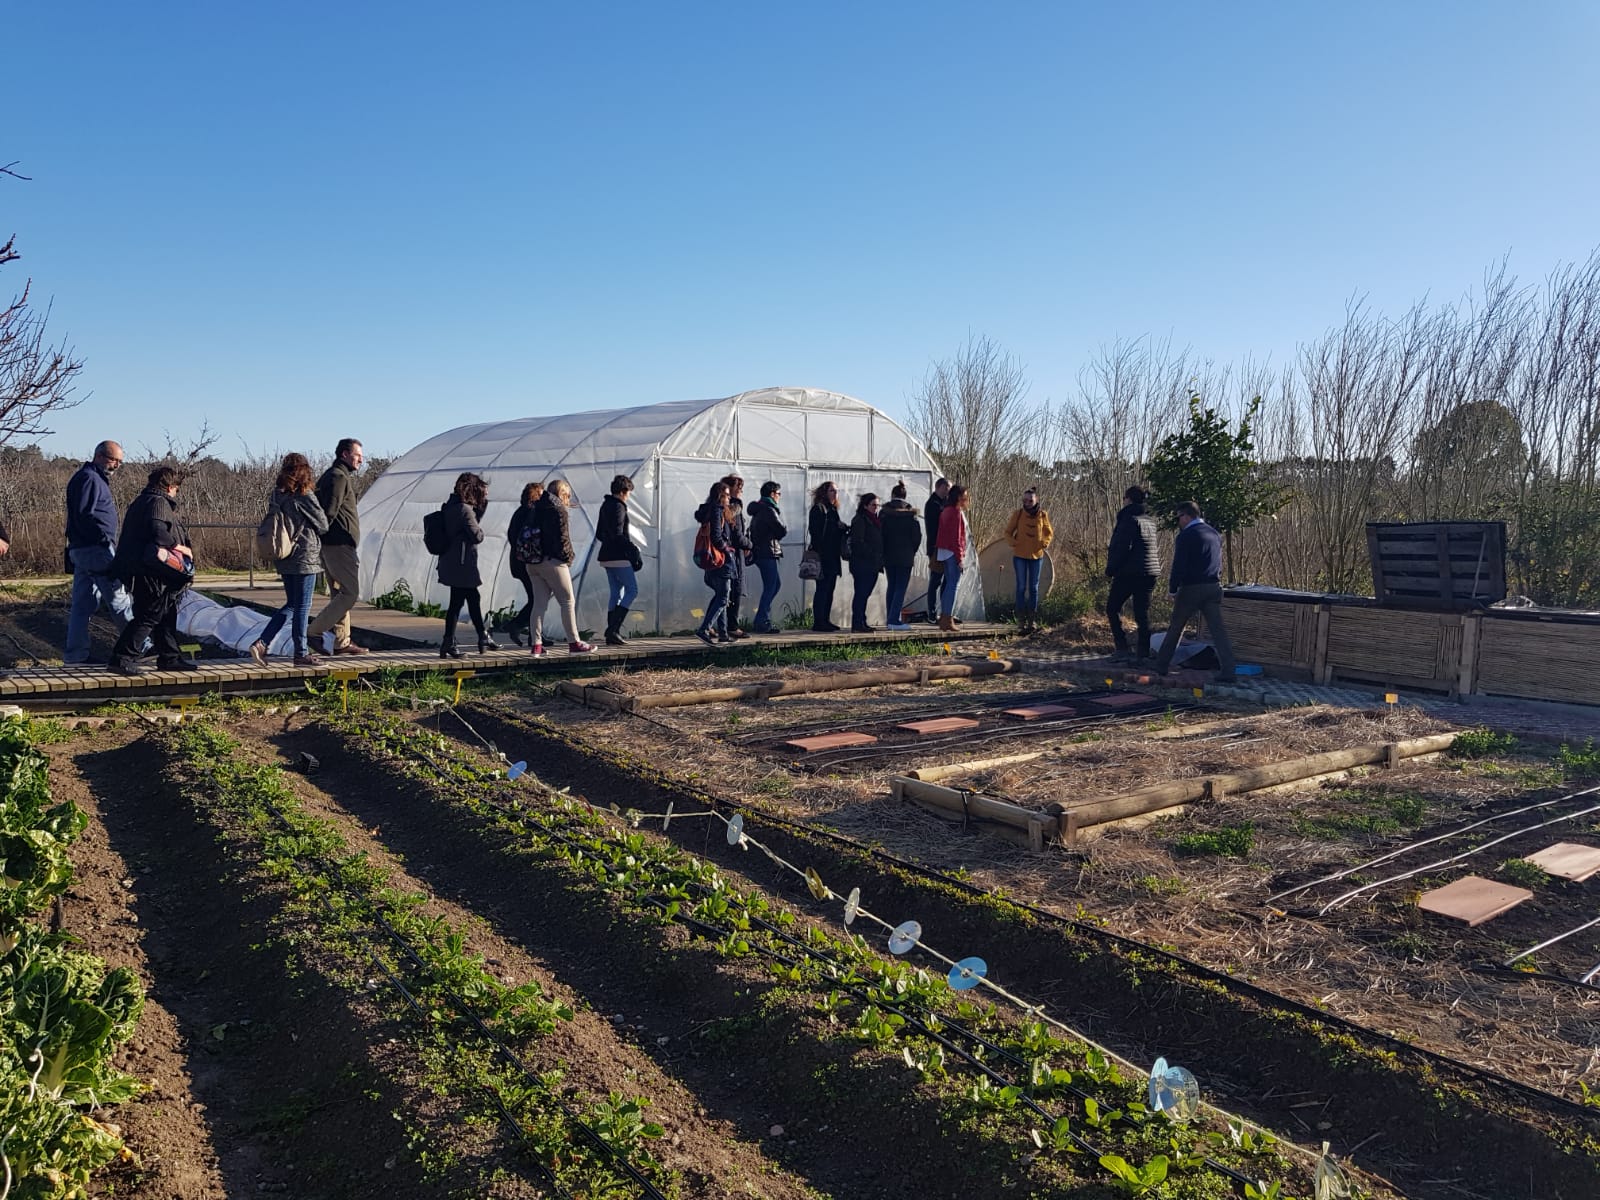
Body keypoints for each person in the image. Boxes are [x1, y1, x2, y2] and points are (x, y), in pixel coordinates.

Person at [108, 466, 196, 676]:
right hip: (151, 572)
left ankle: (169, 657)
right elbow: (158, 532)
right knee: (150, 614)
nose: (176, 493)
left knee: (165, 613)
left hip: (139, 569)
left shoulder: (143, 501)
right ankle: (122, 657)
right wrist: (180, 548)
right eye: (176, 488)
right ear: (170, 486)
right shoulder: (158, 502)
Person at [249, 453, 330, 667]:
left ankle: (262, 643)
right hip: (305, 556)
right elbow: (323, 524)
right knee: (302, 606)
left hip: (283, 554)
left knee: (292, 604)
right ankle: (301, 653)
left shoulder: (277, 494)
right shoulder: (304, 494)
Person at [64, 440, 136, 663]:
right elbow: (84, 515)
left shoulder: (88, 477)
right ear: (99, 456)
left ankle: (76, 655)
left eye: (120, 461)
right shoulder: (90, 479)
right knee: (118, 598)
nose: (117, 465)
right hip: (95, 549)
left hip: (83, 549)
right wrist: (103, 540)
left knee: (82, 604)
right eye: (114, 460)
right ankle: (140, 647)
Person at [1153, 500, 1236, 678]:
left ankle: (1161, 666)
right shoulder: (1215, 534)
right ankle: (1229, 671)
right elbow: (1218, 563)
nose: (1178, 521)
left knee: (1176, 627)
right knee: (1218, 631)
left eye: (1179, 517)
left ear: (1186, 516)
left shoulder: (1186, 536)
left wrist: (1172, 589)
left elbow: (1179, 565)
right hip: (1213, 586)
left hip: (1191, 588)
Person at [306, 438, 369, 655]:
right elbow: (329, 512)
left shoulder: (332, 475)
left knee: (339, 594)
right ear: (344, 454)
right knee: (350, 593)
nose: (361, 460)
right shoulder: (338, 477)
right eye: (357, 455)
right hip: (339, 545)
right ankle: (314, 631)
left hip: (332, 544)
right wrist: (324, 534)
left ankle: (341, 641)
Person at [527, 478, 594, 656]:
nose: (569, 499)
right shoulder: (558, 509)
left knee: (539, 604)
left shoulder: (535, 507)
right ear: (562, 494)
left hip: (533, 562)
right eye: (568, 495)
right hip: (553, 561)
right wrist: (568, 558)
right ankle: (574, 643)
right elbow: (563, 539)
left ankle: (536, 645)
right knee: (567, 601)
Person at [435, 472, 499, 658]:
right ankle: (451, 642)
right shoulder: (464, 509)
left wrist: (480, 506)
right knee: (459, 603)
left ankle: (479, 637)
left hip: (454, 561)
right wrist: (480, 513)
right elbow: (477, 535)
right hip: (463, 564)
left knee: (469, 599)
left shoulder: (451, 505)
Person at [1105, 485, 1161, 663]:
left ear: (1128, 499)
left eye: (1124, 498)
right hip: (1150, 571)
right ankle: (1143, 653)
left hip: (1129, 572)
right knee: (1142, 614)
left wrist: (1111, 569)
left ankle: (1122, 647)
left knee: (1112, 608)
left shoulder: (1128, 519)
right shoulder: (1150, 520)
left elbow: (1122, 547)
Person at [596, 474, 642, 646]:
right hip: (618, 556)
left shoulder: (605, 505)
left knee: (616, 591)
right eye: (628, 492)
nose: (629, 496)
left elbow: (600, 533)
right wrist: (632, 548)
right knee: (632, 590)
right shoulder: (619, 507)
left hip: (606, 556)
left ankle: (611, 634)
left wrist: (609, 543)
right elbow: (618, 534)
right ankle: (613, 629)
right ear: (623, 491)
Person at [1005, 487, 1055, 634]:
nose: (1027, 503)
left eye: (1030, 500)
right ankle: (1021, 621)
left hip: (1036, 556)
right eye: (1025, 500)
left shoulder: (1043, 515)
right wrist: (1014, 542)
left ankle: (1032, 621)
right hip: (1020, 555)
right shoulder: (1018, 514)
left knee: (1033, 588)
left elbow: (1049, 532)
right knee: (1021, 587)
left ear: (1036, 500)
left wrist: (1044, 543)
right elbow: (1007, 532)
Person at [501, 481, 544, 646]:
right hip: (527, 562)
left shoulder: (519, 512)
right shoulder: (532, 513)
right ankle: (519, 626)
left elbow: (512, 537)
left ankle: (533, 633)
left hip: (518, 562)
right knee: (537, 599)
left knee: (536, 598)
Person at [693, 480, 735, 647]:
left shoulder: (708, 511)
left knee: (720, 596)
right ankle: (704, 629)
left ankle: (723, 633)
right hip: (721, 560)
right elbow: (717, 536)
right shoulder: (717, 511)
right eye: (727, 495)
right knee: (723, 597)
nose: (729, 499)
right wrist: (727, 550)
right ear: (720, 496)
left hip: (711, 559)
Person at [807, 481, 847, 632]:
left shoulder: (832, 509)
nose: (835, 494)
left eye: (836, 491)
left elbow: (835, 528)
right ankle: (819, 621)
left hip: (833, 554)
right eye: (832, 491)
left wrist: (842, 528)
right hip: (824, 555)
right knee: (822, 588)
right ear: (824, 492)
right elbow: (816, 532)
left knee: (830, 588)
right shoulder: (819, 509)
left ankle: (825, 619)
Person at [880, 481, 921, 632]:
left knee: (891, 585)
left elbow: (880, 533)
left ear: (892, 495)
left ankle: (890, 618)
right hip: (905, 556)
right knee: (900, 587)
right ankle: (893, 620)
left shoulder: (884, 513)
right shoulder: (910, 515)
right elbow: (917, 537)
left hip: (888, 556)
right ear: (905, 496)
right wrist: (911, 551)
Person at [747, 481, 786, 633]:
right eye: (778, 494)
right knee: (771, 587)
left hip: (761, 552)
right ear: (772, 494)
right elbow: (781, 530)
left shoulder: (758, 509)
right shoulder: (769, 510)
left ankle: (761, 619)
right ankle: (762, 622)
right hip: (767, 552)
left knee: (774, 585)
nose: (779, 497)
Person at [720, 475, 753, 639]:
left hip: (723, 553)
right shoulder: (735, 507)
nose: (741, 491)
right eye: (739, 488)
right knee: (734, 590)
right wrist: (749, 544)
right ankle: (732, 626)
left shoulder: (719, 507)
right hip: (733, 554)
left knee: (723, 591)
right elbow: (737, 534)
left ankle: (718, 625)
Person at [934, 484, 971, 633]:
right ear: (958, 497)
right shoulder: (955, 512)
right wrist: (959, 557)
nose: (967, 499)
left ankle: (944, 617)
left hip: (944, 550)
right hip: (951, 551)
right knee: (952, 585)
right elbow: (956, 538)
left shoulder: (946, 510)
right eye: (965, 496)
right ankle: (947, 618)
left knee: (949, 584)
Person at [847, 492, 885, 632]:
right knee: (861, 593)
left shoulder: (873, 520)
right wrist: (872, 553)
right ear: (865, 506)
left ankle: (861, 620)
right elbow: (858, 542)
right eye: (873, 505)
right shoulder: (860, 520)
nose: (876, 508)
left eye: (877, 505)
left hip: (871, 563)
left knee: (864, 593)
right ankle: (857, 623)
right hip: (862, 563)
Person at [922, 477, 950, 623]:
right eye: (946, 488)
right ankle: (931, 612)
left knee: (947, 580)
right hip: (936, 547)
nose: (947, 491)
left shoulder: (945, 502)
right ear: (938, 487)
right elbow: (937, 524)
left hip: (946, 547)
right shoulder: (932, 504)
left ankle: (945, 610)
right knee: (935, 579)